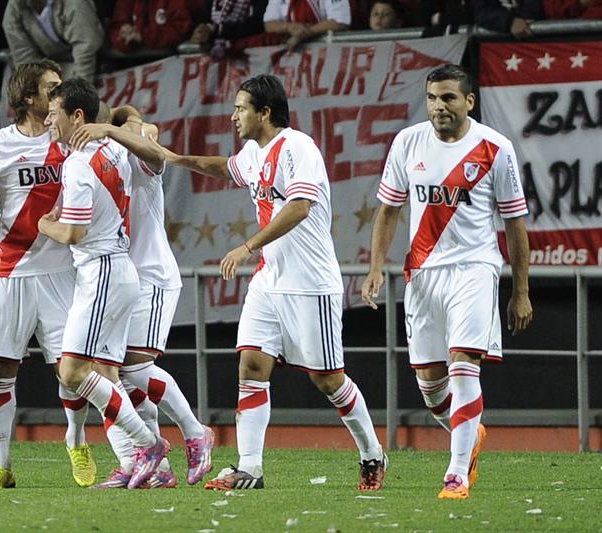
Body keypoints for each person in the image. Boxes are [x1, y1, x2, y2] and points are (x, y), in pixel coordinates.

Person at [161, 74, 386, 491]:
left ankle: (373, 453)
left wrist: (247, 246)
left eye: (241, 108)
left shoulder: (298, 148)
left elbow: (299, 207)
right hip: (270, 280)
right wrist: (177, 159)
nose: (234, 117)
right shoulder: (252, 152)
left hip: (309, 283)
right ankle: (251, 467)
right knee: (251, 364)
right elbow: (225, 169)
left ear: (265, 112)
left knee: (328, 380)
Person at [361, 63, 533, 500]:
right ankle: (469, 431)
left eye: (449, 98)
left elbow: (515, 223)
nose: (439, 106)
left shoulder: (495, 148)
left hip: (474, 270)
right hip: (422, 273)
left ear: (469, 101)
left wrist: (521, 291)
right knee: (430, 384)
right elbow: (388, 210)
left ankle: (456, 474)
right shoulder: (407, 142)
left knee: (463, 363)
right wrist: (376, 266)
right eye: (433, 98)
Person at [65, 111, 215, 489]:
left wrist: (117, 126)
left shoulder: (132, 151)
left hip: (152, 275)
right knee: (114, 378)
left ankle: (195, 433)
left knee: (131, 371)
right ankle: (150, 468)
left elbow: (150, 141)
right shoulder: (99, 158)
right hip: (120, 276)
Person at [38, 78, 170, 490]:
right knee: (106, 377)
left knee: (72, 371)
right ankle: (148, 469)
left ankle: (151, 445)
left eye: (53, 112)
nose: (47, 120)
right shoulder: (113, 149)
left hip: (102, 273)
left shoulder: (78, 164)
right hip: (116, 269)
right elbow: (137, 130)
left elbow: (74, 234)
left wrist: (46, 223)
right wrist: (129, 122)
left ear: (77, 116)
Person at [0, 59, 85, 490]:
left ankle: (76, 439)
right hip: (10, 271)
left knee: (71, 371)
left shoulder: (71, 142)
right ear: (29, 97)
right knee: (1, 371)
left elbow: (116, 120)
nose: (59, 95)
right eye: (51, 89)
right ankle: (1, 466)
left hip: (61, 273)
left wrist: (140, 124)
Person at [263, 0, 351, 50]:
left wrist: (305, 33)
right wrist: (290, 27)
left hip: (329, 50)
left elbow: (339, 22)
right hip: (294, 53)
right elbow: (269, 24)